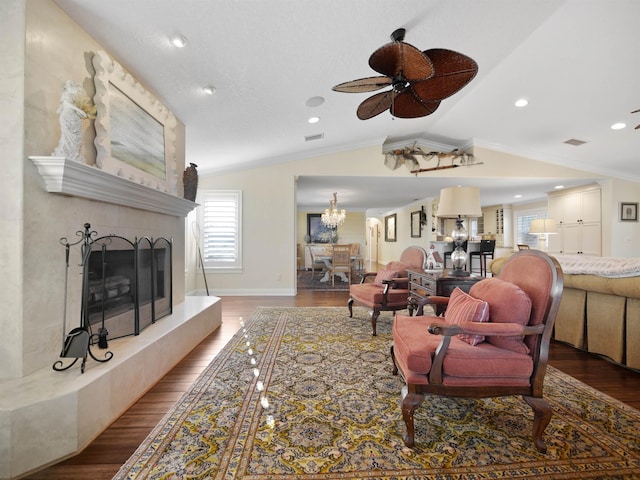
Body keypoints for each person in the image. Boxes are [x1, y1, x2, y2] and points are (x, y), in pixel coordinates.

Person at [52, 80, 96, 163]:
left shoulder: (73, 101)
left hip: (74, 120)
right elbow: (62, 107)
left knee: (76, 138)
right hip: (68, 118)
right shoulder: (67, 98)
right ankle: (66, 152)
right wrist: (79, 110)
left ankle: (73, 153)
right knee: (67, 136)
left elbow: (82, 114)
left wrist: (80, 111)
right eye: (77, 89)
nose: (78, 92)